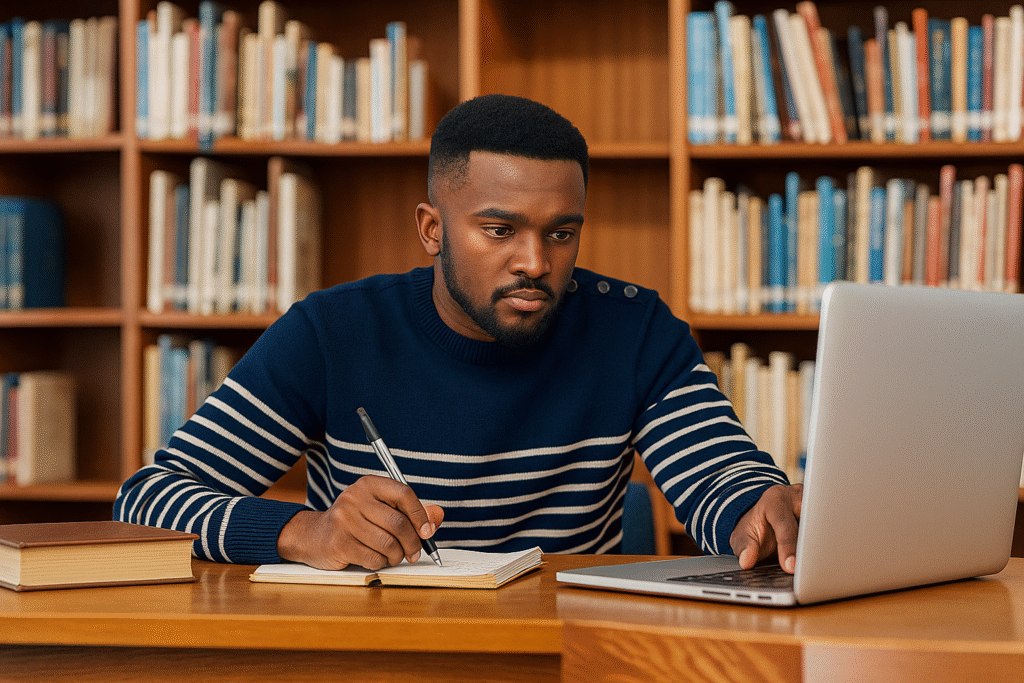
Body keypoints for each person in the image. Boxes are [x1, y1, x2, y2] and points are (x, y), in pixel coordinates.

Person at [115, 94, 802, 573]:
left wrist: (758, 511)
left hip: (561, 654)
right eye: (500, 230)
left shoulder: (635, 329)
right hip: (379, 656)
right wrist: (304, 531)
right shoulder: (332, 332)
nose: (536, 262)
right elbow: (145, 500)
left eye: (562, 233)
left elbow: (722, 477)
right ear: (432, 228)